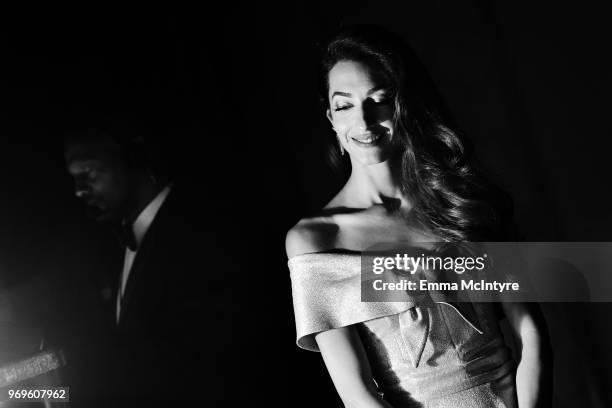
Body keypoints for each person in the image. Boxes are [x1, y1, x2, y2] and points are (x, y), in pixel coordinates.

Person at [286, 25, 551, 407]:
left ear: (403, 105)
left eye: (378, 99)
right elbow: (358, 396)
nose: (362, 121)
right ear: (331, 118)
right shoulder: (316, 239)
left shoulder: (463, 203)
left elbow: (533, 336)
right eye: (345, 105)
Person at [63, 116, 237, 406]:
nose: (79, 190)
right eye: (74, 178)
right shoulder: (113, 251)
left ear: (133, 158)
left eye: (89, 171)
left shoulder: (200, 232)